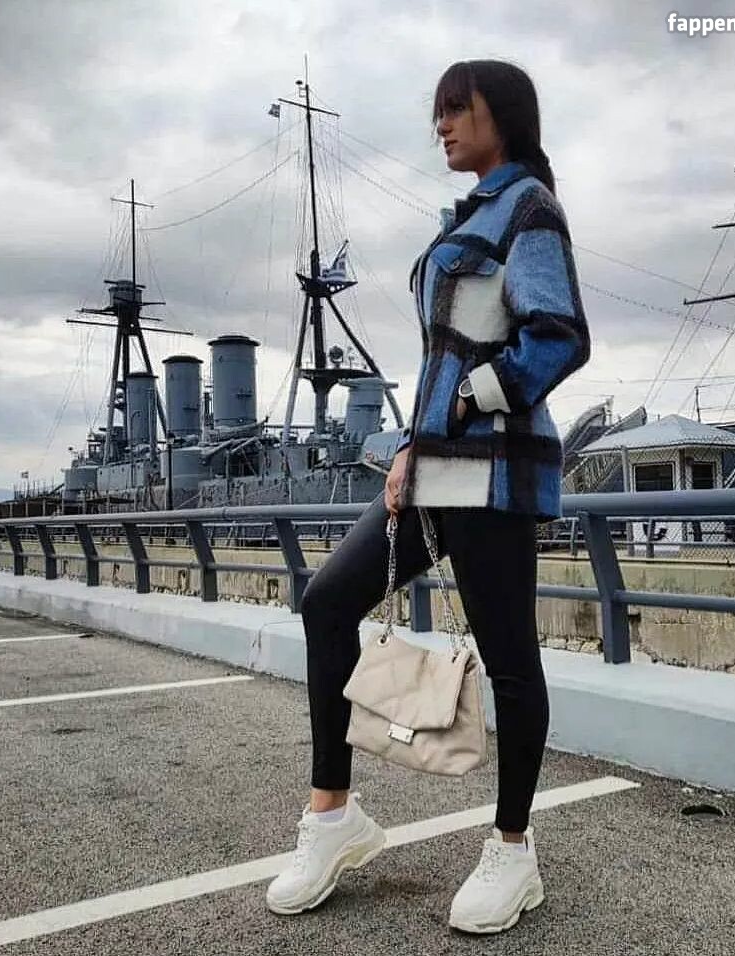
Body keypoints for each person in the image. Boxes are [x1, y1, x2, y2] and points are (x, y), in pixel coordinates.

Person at [266, 58, 591, 935]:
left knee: (510, 663)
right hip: (435, 470)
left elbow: (560, 335)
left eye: (456, 109)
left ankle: (513, 851)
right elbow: (444, 354)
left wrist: (469, 402)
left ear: (501, 116)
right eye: (438, 112)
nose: (441, 125)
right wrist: (414, 441)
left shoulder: (527, 209)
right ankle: (333, 817)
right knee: (328, 602)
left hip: (494, 473)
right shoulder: (472, 215)